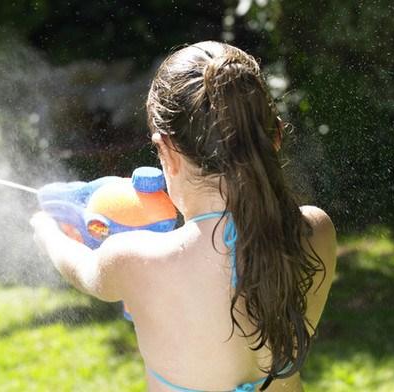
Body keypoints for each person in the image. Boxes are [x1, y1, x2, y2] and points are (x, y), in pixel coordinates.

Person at [31, 41, 337, 391]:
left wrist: (47, 231)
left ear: (166, 150)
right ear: (275, 137)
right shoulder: (316, 230)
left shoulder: (133, 258)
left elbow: (84, 269)